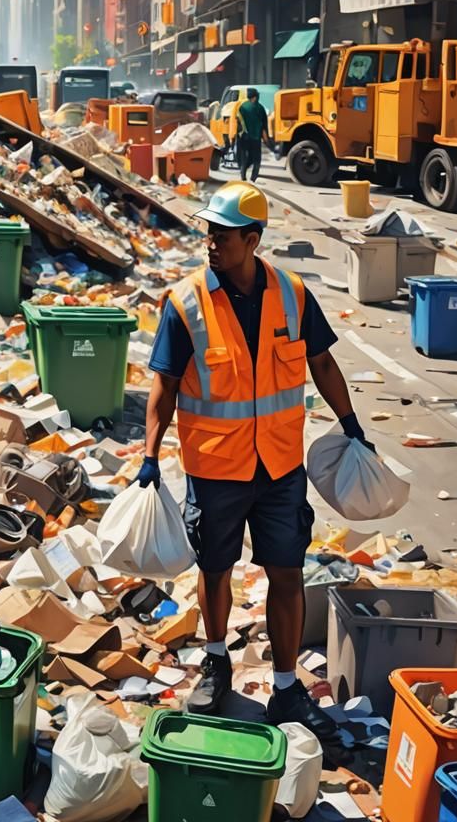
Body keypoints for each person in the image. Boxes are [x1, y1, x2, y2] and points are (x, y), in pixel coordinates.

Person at [137, 181, 372, 740]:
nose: (211, 242)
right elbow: (164, 385)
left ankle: (287, 688)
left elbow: (322, 363)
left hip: (280, 466)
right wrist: (149, 455)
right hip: (215, 467)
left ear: (252, 239)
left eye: (222, 234)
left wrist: (350, 423)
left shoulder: (292, 294)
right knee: (214, 568)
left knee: (287, 572)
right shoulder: (186, 302)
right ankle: (217, 660)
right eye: (209, 232)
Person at [235, 88, 269, 182]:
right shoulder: (260, 108)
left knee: (244, 157)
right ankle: (253, 178)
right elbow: (264, 124)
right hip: (255, 138)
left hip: (243, 137)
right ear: (255, 97)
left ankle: (243, 174)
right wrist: (266, 137)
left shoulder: (242, 107)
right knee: (256, 159)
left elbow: (237, 122)